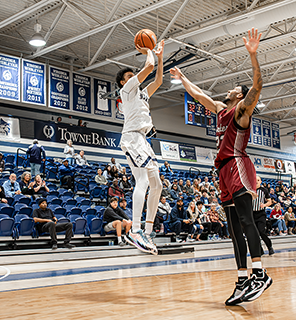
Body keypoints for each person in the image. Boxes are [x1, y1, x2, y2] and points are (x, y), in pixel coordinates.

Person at [171, 28, 271, 305]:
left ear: (239, 96)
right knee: (232, 228)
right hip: (223, 171)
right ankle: (242, 279)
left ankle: (260, 273)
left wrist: (253, 55)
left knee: (246, 220)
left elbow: (258, 86)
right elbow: (198, 94)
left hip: (238, 164)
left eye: (235, 88)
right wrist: (182, 79)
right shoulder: (219, 109)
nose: (229, 89)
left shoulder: (241, 110)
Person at [116, 39, 165, 255]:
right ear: (122, 83)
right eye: (128, 77)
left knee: (157, 185)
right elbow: (148, 68)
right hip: (132, 138)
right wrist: (148, 51)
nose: (132, 78)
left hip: (143, 140)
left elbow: (158, 79)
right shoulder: (127, 91)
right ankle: (135, 230)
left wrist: (160, 56)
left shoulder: (142, 93)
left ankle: (148, 230)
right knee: (142, 180)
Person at [252, 176, 274, 255]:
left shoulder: (264, 190)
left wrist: (264, 205)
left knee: (262, 231)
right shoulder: (250, 190)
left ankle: (269, 247)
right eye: (255, 180)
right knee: (255, 234)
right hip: (252, 214)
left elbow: (270, 202)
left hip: (261, 214)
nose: (256, 181)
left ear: (261, 181)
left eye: (258, 180)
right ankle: (260, 249)